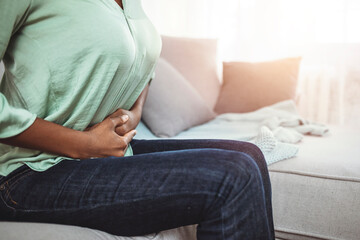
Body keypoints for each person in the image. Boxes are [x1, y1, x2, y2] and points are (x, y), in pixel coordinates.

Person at [0, 0, 275, 239]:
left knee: (250, 154)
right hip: (26, 172)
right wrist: (84, 144)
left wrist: (136, 112)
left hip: (101, 158)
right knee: (233, 175)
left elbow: (145, 60)